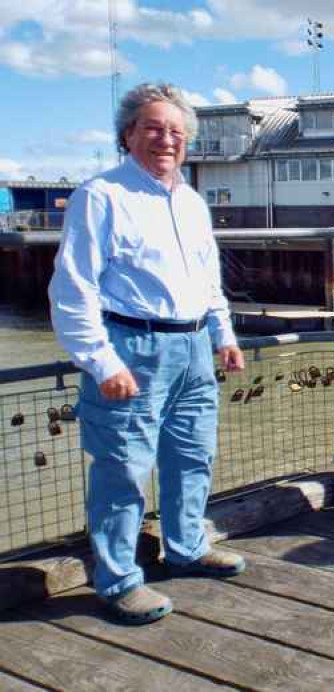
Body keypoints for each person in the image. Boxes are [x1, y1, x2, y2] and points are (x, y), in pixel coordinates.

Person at [49, 83, 247, 625]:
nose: (166, 139)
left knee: (193, 457)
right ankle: (118, 581)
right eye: (154, 128)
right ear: (128, 134)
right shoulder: (101, 195)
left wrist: (223, 335)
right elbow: (73, 289)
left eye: (177, 132)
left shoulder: (191, 201)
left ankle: (186, 548)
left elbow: (209, 279)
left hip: (193, 346)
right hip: (130, 345)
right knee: (123, 470)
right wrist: (102, 361)